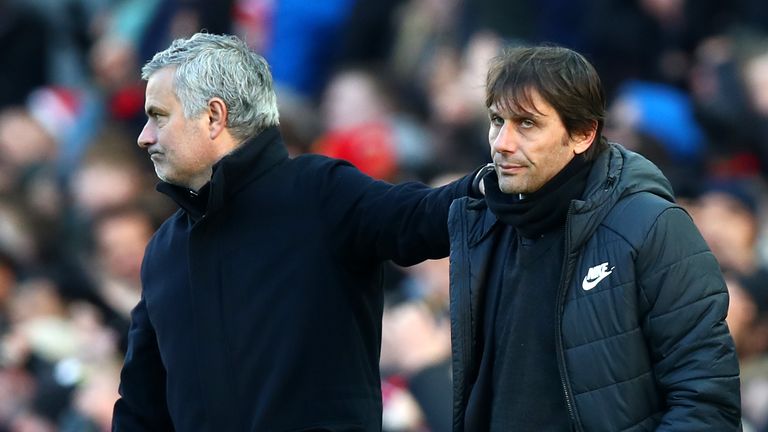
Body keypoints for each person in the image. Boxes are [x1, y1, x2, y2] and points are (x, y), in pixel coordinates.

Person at [111, 32, 479, 431]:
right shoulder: (165, 249)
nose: (143, 136)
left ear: (214, 116)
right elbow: (140, 410)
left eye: (158, 115)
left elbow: (425, 215)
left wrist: (502, 180)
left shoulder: (319, 192)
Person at [446, 45, 741, 431]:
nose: (502, 142)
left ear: (583, 134)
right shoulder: (483, 223)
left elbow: (706, 403)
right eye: (497, 120)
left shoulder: (652, 226)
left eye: (527, 124)